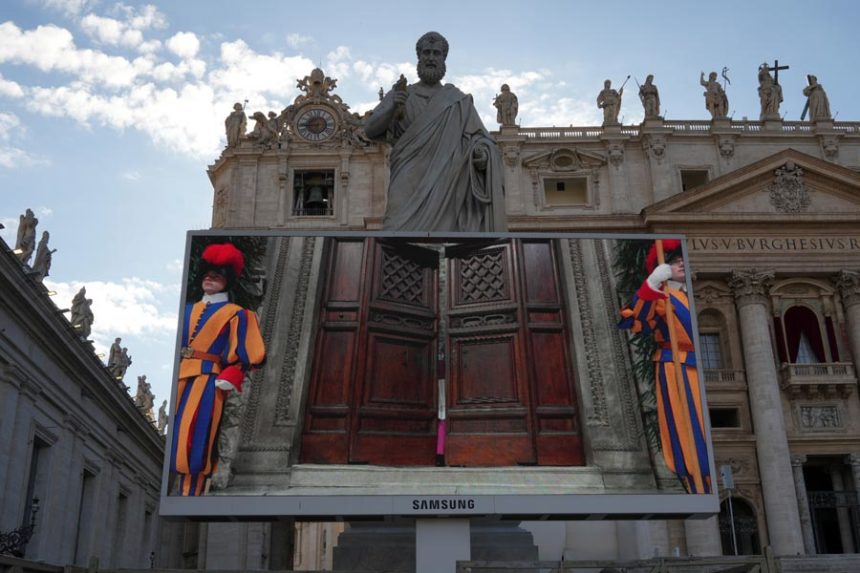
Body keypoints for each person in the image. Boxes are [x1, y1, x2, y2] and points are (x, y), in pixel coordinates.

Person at [364, 31, 506, 232]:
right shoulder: (402, 93)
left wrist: (483, 154)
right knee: (395, 231)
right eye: (426, 52)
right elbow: (369, 130)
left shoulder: (459, 101)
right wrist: (391, 107)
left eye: (436, 53)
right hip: (406, 179)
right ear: (419, 57)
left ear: (443, 59)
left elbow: (481, 139)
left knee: (443, 241)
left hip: (445, 184)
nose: (431, 57)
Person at [169, 242, 266, 496]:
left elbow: (247, 354)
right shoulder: (187, 310)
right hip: (177, 376)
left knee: (196, 439)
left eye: (218, 273)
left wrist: (229, 377)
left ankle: (191, 492)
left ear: (228, 279)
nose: (210, 277)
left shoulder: (238, 314)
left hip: (207, 379)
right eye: (208, 272)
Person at [618, 239, 712, 494]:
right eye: (672, 259)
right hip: (677, 367)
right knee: (689, 434)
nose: (680, 262)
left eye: (682, 258)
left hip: (702, 370)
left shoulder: (695, 293)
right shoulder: (662, 296)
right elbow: (634, 322)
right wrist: (651, 285)